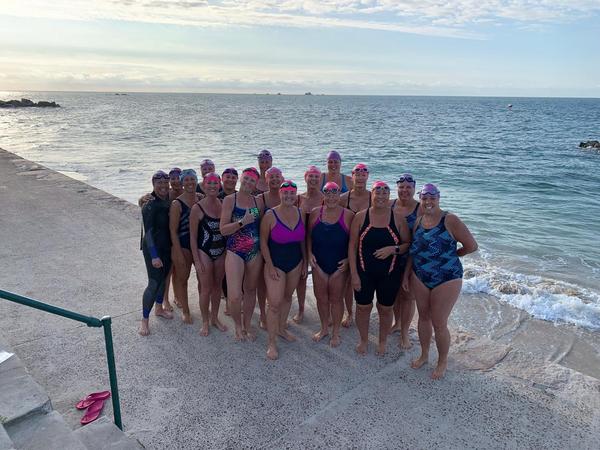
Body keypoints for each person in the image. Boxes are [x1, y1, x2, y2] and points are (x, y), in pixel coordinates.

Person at [403, 183, 477, 380]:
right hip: (420, 276)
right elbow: (414, 251)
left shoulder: (449, 219)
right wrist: (406, 275)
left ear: (438, 198)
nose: (428, 202)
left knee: (439, 322)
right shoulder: (419, 221)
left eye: (432, 198)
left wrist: (452, 257)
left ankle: (442, 360)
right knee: (423, 317)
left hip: (447, 278)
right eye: (424, 198)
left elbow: (471, 246)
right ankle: (424, 354)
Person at [348, 181, 410, 356]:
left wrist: (393, 249)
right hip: (363, 272)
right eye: (377, 193)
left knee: (385, 309)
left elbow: (407, 244)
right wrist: (353, 274)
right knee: (362, 307)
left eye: (385, 193)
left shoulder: (398, 219)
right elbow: (352, 246)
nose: (381, 196)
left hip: (389, 274)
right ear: (371, 195)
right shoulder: (361, 217)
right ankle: (364, 340)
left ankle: (382, 342)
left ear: (389, 196)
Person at [260, 180, 307, 359]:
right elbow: (263, 242)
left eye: (292, 193)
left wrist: (305, 261)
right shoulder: (270, 215)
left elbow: (302, 240)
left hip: (295, 263)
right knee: (274, 304)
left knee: (288, 297)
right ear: (280, 194)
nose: (288, 196)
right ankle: (271, 343)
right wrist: (270, 265)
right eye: (285, 193)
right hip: (276, 264)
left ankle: (281, 328)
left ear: (296, 195)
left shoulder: (301, 213)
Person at [220, 167, 264, 341]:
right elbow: (223, 230)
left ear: (255, 184)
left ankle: (247, 325)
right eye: (245, 179)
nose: (248, 183)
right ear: (241, 180)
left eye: (252, 181)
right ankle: (237, 325)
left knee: (251, 290)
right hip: (235, 250)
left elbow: (259, 226)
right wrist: (241, 222)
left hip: (254, 251)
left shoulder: (258, 202)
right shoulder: (231, 200)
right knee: (235, 295)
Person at [308, 182, 353, 347]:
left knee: (336, 299)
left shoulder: (348, 215)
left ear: (340, 194)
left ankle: (336, 333)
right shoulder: (314, 213)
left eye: (335, 193)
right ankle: (324, 328)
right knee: (321, 299)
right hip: (319, 264)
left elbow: (353, 242)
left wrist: (349, 260)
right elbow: (308, 237)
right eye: (327, 193)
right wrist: (309, 253)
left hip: (339, 266)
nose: (331, 196)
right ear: (323, 195)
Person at [189, 172, 228, 336]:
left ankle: (214, 318)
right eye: (209, 183)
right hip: (204, 251)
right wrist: (196, 260)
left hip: (221, 251)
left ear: (219, 185)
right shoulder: (197, 208)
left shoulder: (223, 203)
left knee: (217, 286)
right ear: (204, 186)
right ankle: (205, 321)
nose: (212, 186)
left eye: (215, 183)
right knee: (206, 288)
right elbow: (192, 236)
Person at [139, 171, 174, 336]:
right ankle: (144, 321)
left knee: (163, 281)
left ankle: (159, 308)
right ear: (153, 184)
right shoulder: (150, 204)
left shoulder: (167, 200)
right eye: (159, 183)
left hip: (167, 248)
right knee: (154, 282)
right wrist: (153, 255)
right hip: (153, 249)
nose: (162, 186)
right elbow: (149, 233)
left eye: (165, 183)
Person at [390, 173, 421, 349]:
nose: (405, 190)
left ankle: (405, 333)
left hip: (412, 259)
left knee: (408, 297)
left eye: (408, 187)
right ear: (397, 188)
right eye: (401, 187)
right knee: (395, 294)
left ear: (414, 189)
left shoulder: (420, 208)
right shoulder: (390, 204)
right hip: (392, 258)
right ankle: (396, 323)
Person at [338, 163, 371, 328]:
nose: (360, 177)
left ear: (367, 177)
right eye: (357, 174)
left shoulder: (375, 197)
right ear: (352, 177)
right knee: (347, 281)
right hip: (347, 243)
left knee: (368, 280)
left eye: (363, 174)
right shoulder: (344, 198)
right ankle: (349, 313)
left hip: (368, 245)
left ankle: (364, 310)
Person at [294, 165, 324, 324]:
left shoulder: (326, 198)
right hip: (300, 243)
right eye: (310, 176)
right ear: (305, 178)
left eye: (316, 177)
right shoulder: (298, 198)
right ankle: (301, 309)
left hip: (319, 243)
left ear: (320, 179)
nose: (313, 179)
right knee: (301, 277)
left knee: (323, 279)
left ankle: (327, 311)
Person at [169, 169, 199, 324]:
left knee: (202, 277)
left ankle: (202, 306)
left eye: (192, 179)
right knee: (183, 278)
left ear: (196, 181)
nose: (189, 183)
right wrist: (178, 252)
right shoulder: (177, 204)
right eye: (186, 180)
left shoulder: (200, 198)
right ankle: (186, 311)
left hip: (199, 244)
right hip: (183, 244)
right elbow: (173, 231)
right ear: (182, 183)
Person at [256, 166, 283, 329]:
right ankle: (263, 315)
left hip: (280, 248)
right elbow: (252, 215)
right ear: (266, 180)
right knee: (261, 282)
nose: (274, 180)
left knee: (279, 282)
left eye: (277, 177)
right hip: (263, 244)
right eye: (271, 177)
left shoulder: (288, 196)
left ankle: (277, 311)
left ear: (282, 179)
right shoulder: (261, 199)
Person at [219, 167, 238, 315]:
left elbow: (256, 211)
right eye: (227, 177)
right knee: (225, 274)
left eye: (233, 177)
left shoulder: (243, 196)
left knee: (239, 274)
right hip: (219, 240)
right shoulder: (215, 196)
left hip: (239, 241)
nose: (230, 179)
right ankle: (227, 302)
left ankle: (237, 300)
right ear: (222, 179)